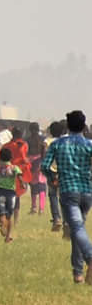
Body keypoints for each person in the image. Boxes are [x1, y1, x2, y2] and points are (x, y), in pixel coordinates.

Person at [41, 110, 92, 284]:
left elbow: (45, 165)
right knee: (79, 229)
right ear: (84, 126)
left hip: (69, 191)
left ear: (67, 126)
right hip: (87, 192)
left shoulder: (58, 144)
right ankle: (78, 273)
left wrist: (53, 178)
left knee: (76, 228)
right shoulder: (89, 144)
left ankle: (90, 259)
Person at [0, 147, 23, 243]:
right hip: (11, 194)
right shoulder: (14, 168)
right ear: (11, 157)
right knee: (9, 216)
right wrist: (22, 184)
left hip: (1, 192)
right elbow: (20, 177)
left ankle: (2, 225)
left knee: (2, 213)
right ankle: (8, 237)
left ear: (0, 158)